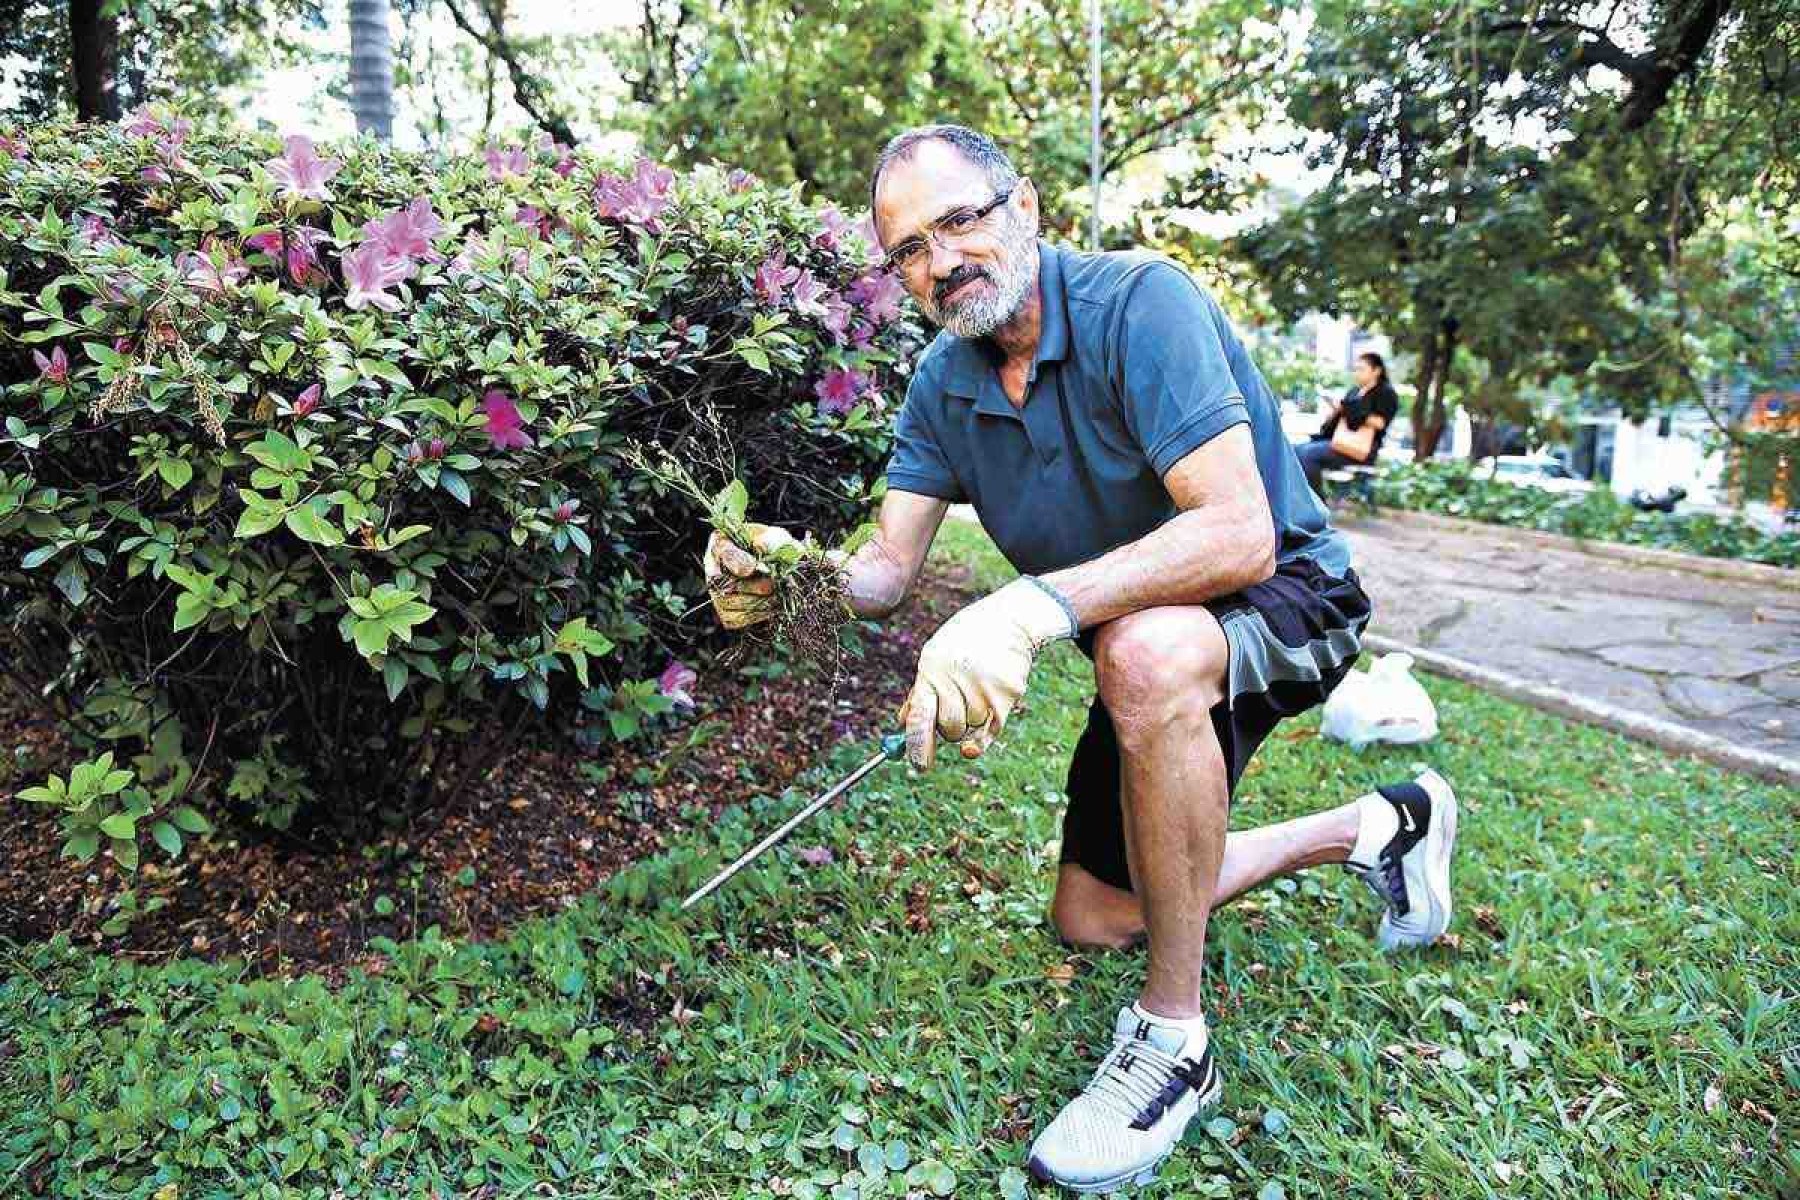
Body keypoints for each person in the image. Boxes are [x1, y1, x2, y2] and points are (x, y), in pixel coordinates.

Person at [703, 125, 1459, 1195]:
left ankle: (1173, 1044)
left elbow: (1239, 532)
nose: (941, 260)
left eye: (960, 220)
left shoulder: (1139, 302)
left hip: (1285, 594)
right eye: (909, 248)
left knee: (1142, 654)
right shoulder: (942, 386)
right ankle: (1376, 826)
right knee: (1093, 913)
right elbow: (886, 569)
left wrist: (1023, 609)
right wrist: (793, 576)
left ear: (1027, 208)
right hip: (1138, 644)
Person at [1294, 352, 1399, 493]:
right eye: (1355, 369)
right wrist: (1338, 409)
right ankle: (1302, 500)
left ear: (1377, 371)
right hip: (1339, 442)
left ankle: (1317, 504)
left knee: (1308, 454)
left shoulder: (1386, 393)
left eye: (1361, 369)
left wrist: (1351, 410)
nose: (1357, 373)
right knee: (1295, 450)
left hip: (1362, 449)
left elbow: (1380, 423)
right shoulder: (1354, 391)